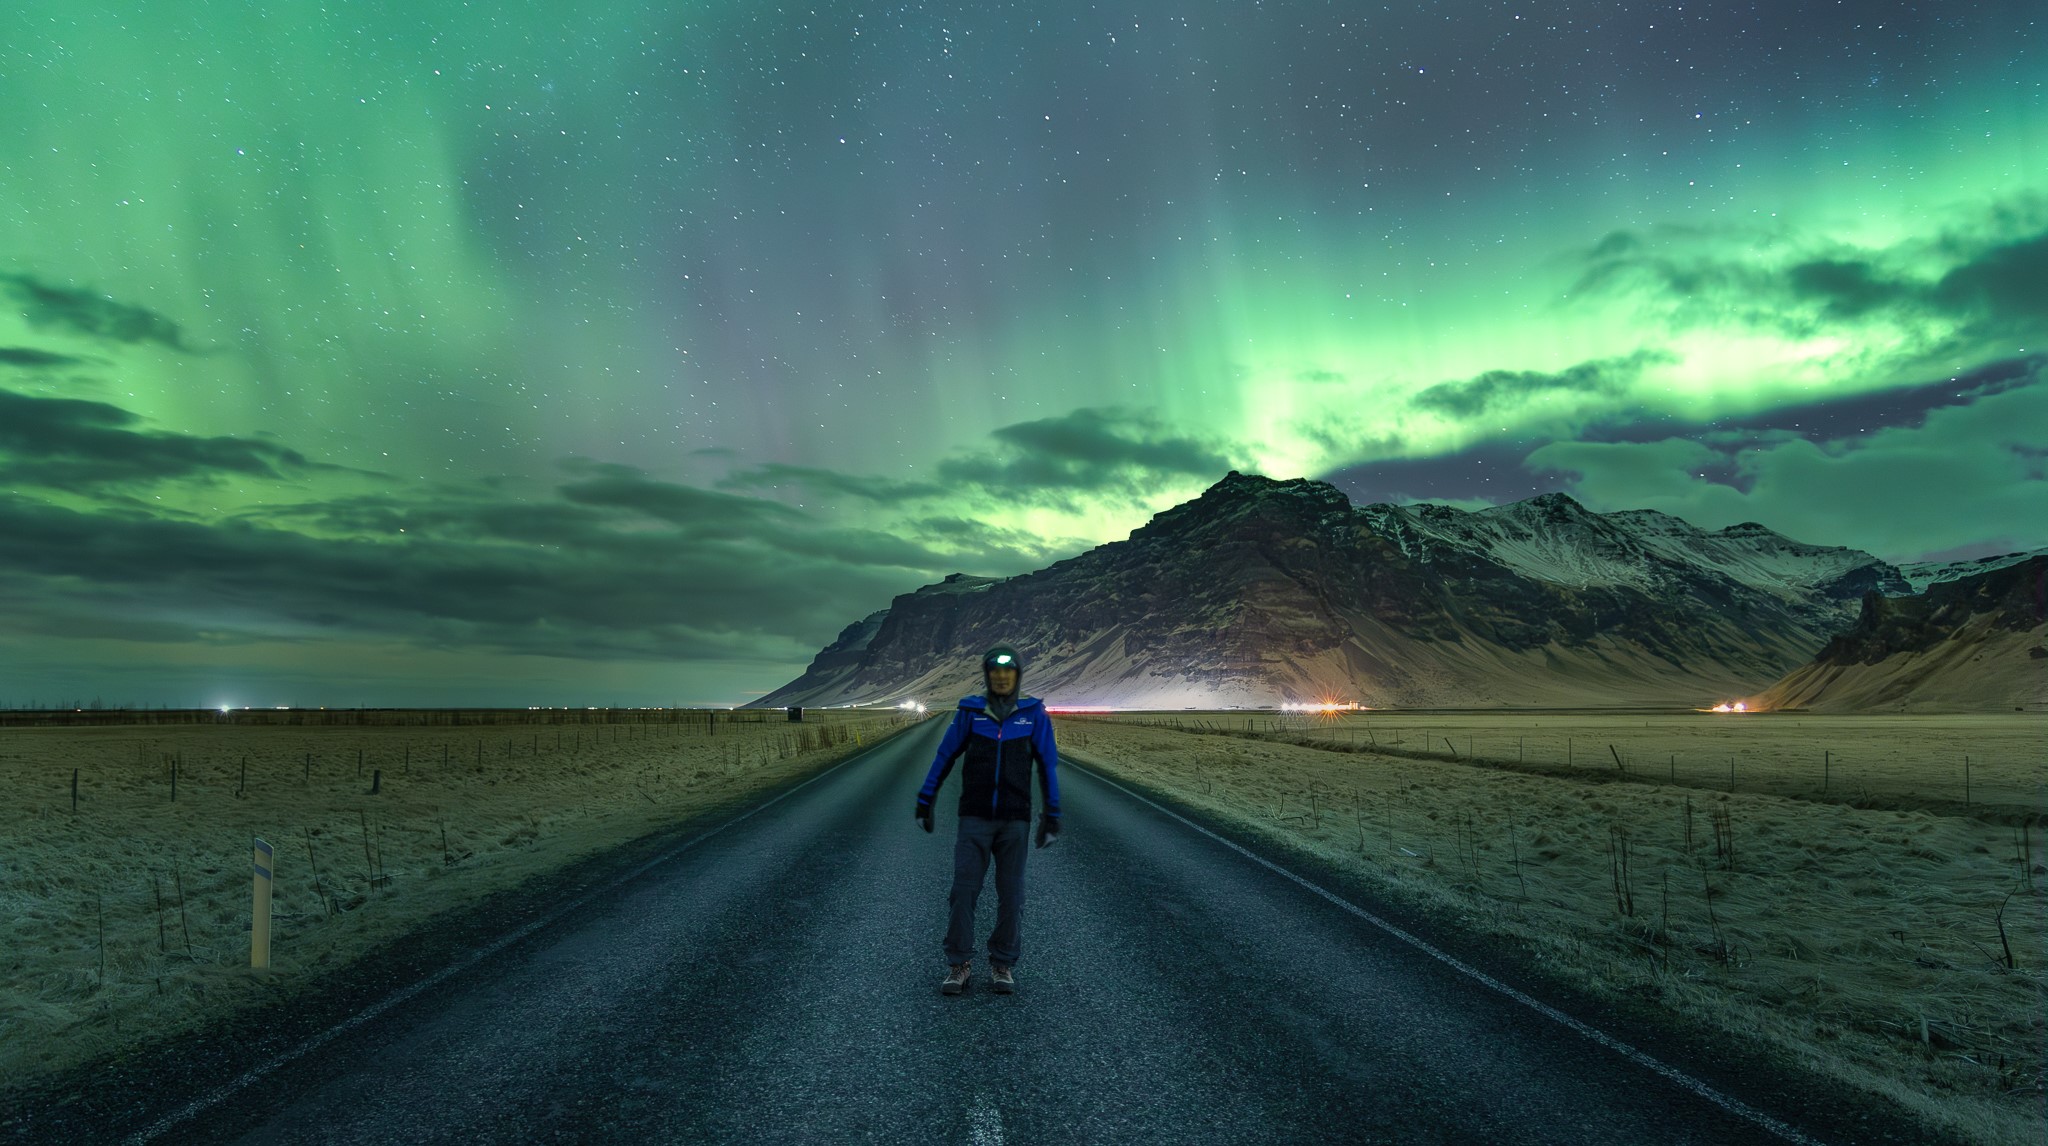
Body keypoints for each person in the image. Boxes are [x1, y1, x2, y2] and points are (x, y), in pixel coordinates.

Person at [914, 645, 1061, 995]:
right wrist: (925, 801)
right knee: (963, 892)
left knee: (1012, 896)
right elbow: (944, 756)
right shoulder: (970, 712)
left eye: (1007, 672)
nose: (1001, 677)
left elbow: (1048, 767)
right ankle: (959, 964)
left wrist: (1051, 815)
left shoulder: (1033, 714)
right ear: (987, 675)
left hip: (1015, 820)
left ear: (1017, 676)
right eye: (994, 672)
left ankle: (1002, 964)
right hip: (974, 818)